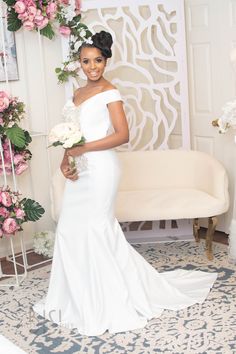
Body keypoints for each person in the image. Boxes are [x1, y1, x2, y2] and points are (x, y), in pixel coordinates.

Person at [33, 30, 217, 336]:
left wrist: (84, 149)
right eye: (86, 61)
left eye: (98, 61)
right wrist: (66, 160)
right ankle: (76, 296)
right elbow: (72, 133)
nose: (92, 67)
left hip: (103, 169)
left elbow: (122, 135)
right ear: (79, 63)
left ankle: (107, 299)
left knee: (97, 229)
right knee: (69, 228)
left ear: (106, 61)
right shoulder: (76, 94)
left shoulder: (110, 92)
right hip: (80, 169)